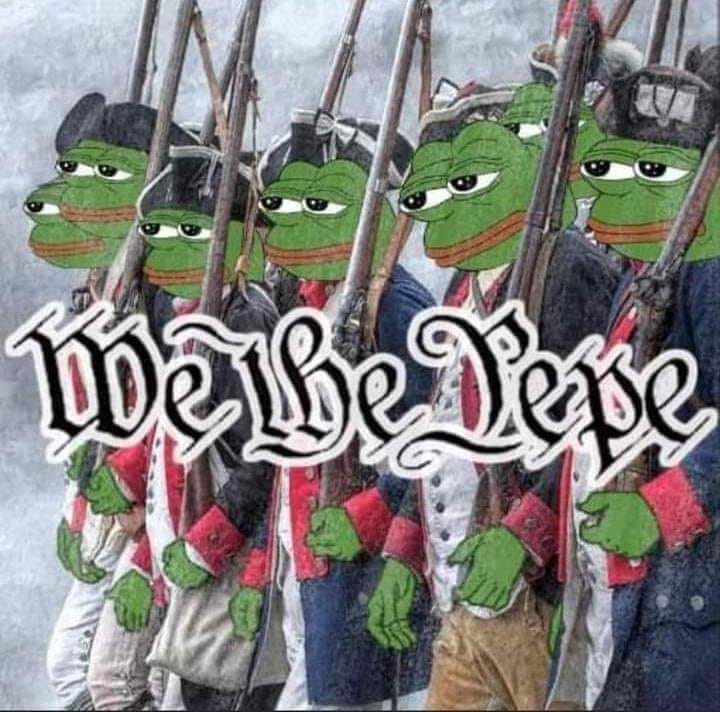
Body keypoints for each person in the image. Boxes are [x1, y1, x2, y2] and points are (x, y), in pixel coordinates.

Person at [368, 75, 620, 710]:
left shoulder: (566, 268)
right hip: (462, 595)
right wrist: (404, 551)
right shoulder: (466, 282)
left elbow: (589, 431)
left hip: (536, 596)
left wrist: (524, 536)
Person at [228, 109, 437, 709]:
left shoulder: (395, 308)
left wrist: (363, 518)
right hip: (306, 563)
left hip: (357, 566)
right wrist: (262, 563)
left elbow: (424, 444)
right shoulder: (311, 302)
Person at [548, 55, 720, 711]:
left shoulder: (707, 267)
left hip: (684, 598)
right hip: (625, 589)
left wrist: (659, 508)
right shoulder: (643, 268)